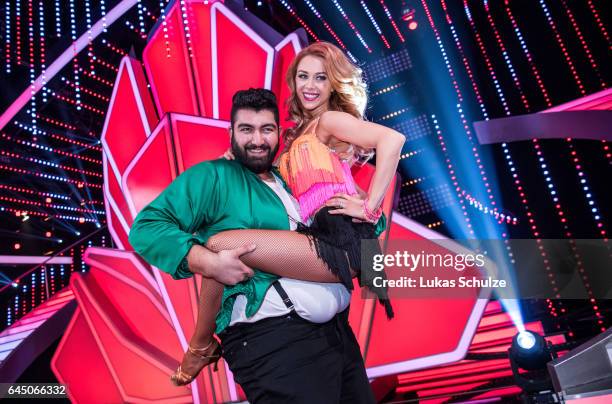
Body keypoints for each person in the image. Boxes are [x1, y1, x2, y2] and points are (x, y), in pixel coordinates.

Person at [169, 41, 405, 386]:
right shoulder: (297, 136)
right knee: (222, 252)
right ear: (293, 82)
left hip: (339, 243)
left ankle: (200, 345)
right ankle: (202, 343)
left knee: (218, 247)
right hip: (319, 239)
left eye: (321, 78)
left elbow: (392, 140)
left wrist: (371, 207)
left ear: (333, 84)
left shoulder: (329, 120)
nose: (310, 86)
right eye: (303, 76)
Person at [129, 88, 383, 403]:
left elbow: (359, 232)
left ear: (280, 132)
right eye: (246, 129)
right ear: (231, 133)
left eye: (267, 129)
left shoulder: (291, 175)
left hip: (338, 338)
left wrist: (365, 204)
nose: (257, 140)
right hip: (277, 345)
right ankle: (201, 344)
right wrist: (206, 262)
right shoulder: (214, 176)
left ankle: (201, 343)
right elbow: (146, 228)